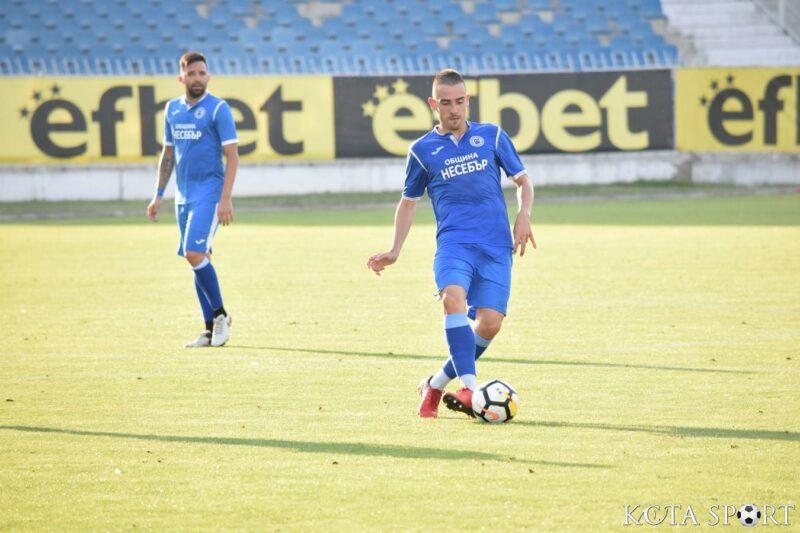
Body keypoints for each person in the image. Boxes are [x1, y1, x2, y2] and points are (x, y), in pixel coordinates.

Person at [367, 69, 536, 418]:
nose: (454, 109)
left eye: (460, 101)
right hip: (454, 245)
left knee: (490, 323)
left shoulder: (492, 135)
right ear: (433, 104)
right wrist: (394, 250)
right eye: (446, 103)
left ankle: (435, 384)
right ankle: (470, 390)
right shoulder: (422, 151)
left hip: (495, 247)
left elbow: (523, 181)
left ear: (468, 100)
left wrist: (524, 214)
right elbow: (408, 203)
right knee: (452, 299)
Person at [146, 51, 239, 347]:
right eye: (191, 74)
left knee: (193, 253)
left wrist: (225, 199)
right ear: (181, 78)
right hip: (183, 196)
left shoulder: (218, 109)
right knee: (198, 260)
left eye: (201, 73)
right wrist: (158, 195)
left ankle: (221, 315)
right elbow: (168, 154)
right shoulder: (172, 109)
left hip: (209, 194)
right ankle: (209, 329)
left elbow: (233, 156)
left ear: (208, 76)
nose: (197, 79)